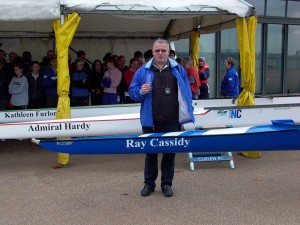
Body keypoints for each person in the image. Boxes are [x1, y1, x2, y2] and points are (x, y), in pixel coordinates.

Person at [129, 38, 195, 197]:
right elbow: (132, 92)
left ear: (168, 53)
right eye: (157, 50)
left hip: (172, 119)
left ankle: (166, 184)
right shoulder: (142, 71)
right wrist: (140, 92)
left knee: (169, 154)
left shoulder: (178, 70)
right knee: (150, 154)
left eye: (163, 50)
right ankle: (149, 184)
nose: (160, 53)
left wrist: (188, 113)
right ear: (153, 52)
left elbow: (187, 93)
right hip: (150, 120)